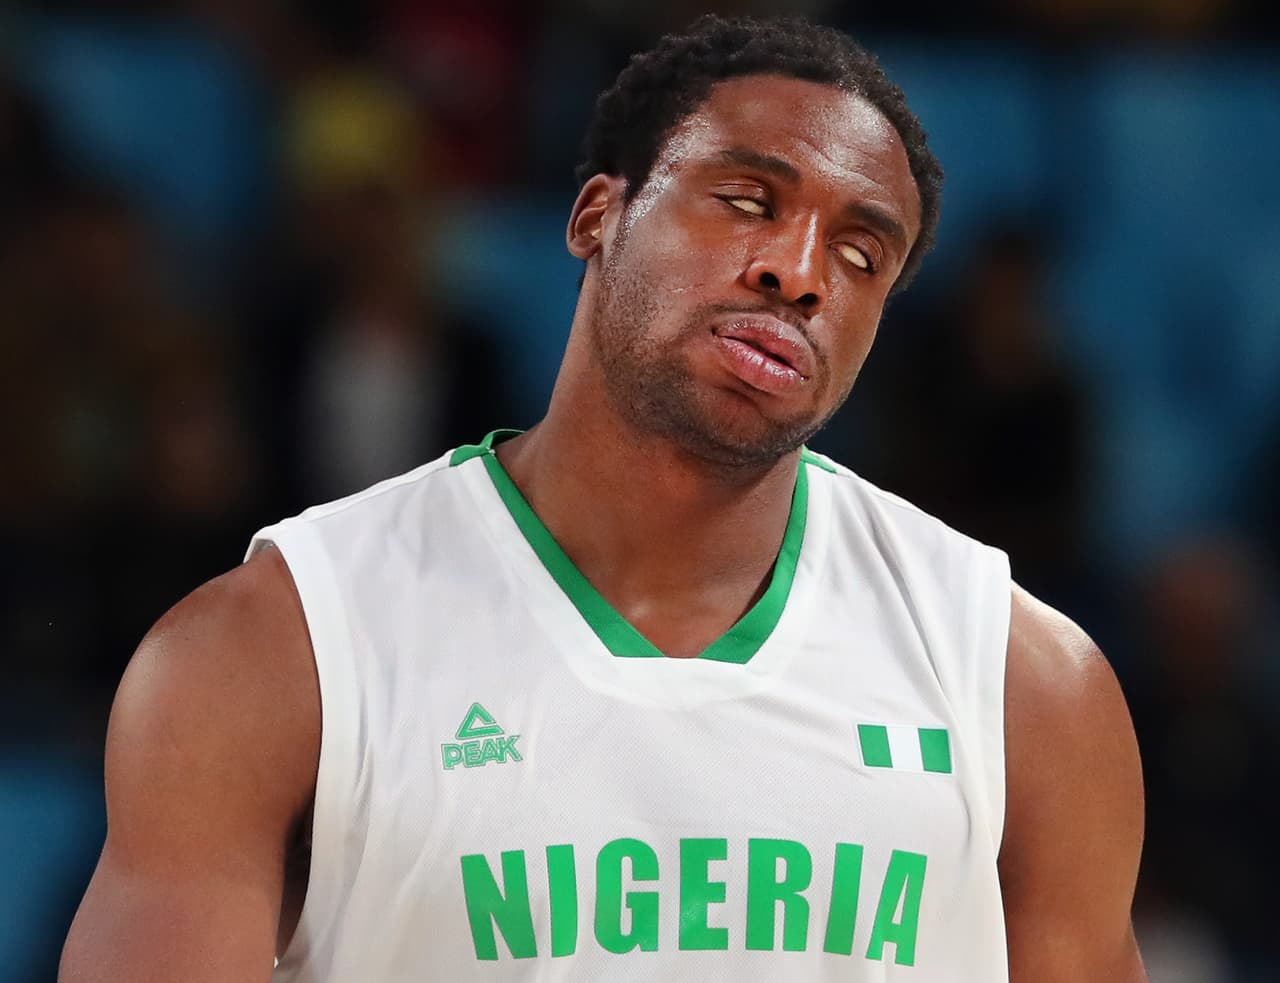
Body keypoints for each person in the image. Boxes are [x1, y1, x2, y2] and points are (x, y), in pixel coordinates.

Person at [59, 15, 1146, 982]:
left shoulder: (1019, 682)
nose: (800, 271)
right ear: (595, 215)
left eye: (862, 255)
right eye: (746, 202)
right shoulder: (274, 647)